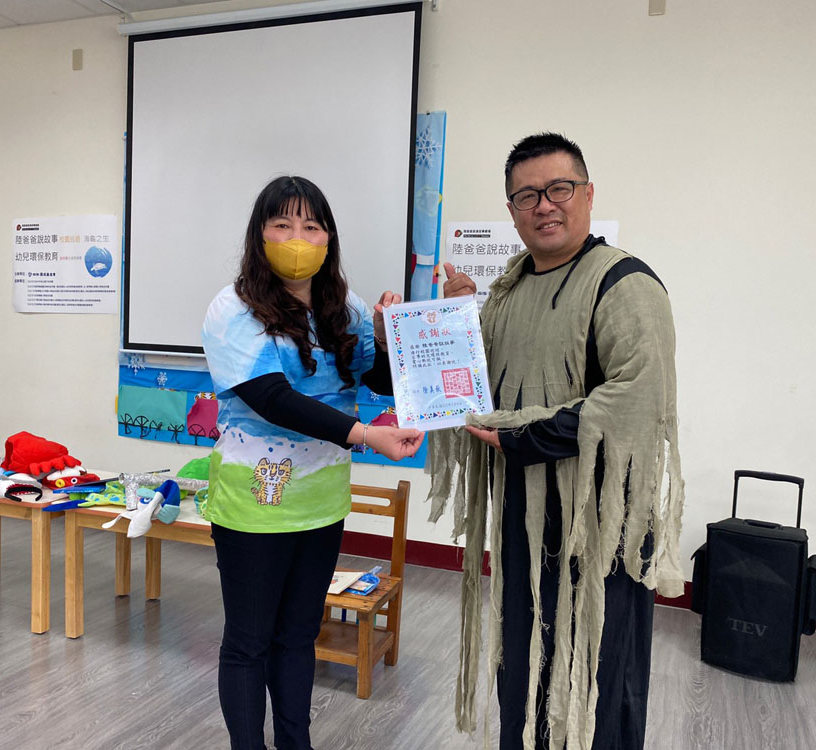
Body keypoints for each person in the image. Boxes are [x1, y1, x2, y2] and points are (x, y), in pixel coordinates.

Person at [428, 133, 685, 750]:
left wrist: (524, 433)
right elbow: (475, 383)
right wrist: (452, 322)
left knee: (597, 671)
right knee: (523, 662)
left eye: (559, 189)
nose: (544, 205)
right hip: (523, 513)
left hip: (601, 525)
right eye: (527, 195)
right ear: (512, 210)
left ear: (588, 194)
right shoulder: (509, 290)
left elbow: (637, 398)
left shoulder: (624, 282)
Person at [201, 175, 423, 750]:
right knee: (249, 641)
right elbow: (271, 398)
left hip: (321, 501)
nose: (297, 238)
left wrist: (389, 338)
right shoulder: (233, 309)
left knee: (299, 636)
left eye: (311, 225)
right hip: (255, 504)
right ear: (260, 235)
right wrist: (365, 435)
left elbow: (376, 377)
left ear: (329, 238)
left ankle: (296, 743)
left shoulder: (343, 307)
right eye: (282, 224)